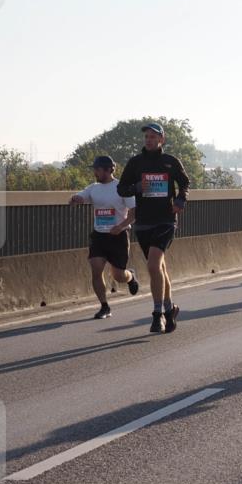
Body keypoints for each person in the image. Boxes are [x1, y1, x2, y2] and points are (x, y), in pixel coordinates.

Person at [117, 122, 190, 333]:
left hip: (166, 220)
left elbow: (185, 183)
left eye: (153, 136)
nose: (148, 140)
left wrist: (181, 199)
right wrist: (135, 187)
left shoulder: (170, 162)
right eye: (146, 137)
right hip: (144, 222)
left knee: (153, 265)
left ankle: (157, 315)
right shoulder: (135, 163)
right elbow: (122, 189)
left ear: (161, 139)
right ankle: (170, 309)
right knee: (160, 268)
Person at [69, 156, 139, 318]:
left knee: (118, 276)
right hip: (99, 236)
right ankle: (104, 306)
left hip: (118, 236)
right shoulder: (93, 188)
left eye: (98, 169)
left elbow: (135, 212)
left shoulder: (122, 187)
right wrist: (75, 199)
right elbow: (77, 198)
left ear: (108, 170)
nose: (95, 172)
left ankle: (130, 277)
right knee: (96, 269)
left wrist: (120, 226)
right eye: (94, 169)